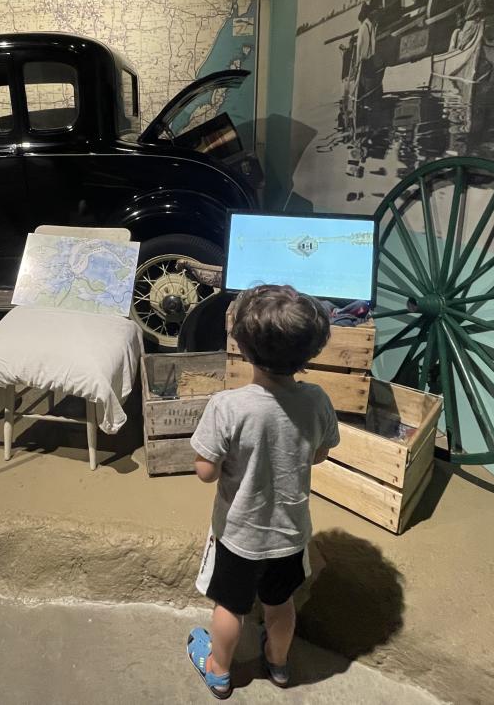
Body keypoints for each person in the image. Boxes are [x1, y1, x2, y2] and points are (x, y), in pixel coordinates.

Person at [185, 285, 340, 698]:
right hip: (290, 533)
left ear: (243, 345)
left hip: (239, 534)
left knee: (230, 606)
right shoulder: (317, 399)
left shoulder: (228, 406)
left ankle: (218, 669)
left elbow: (204, 472)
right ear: (311, 350)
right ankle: (279, 663)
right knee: (280, 604)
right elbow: (321, 455)